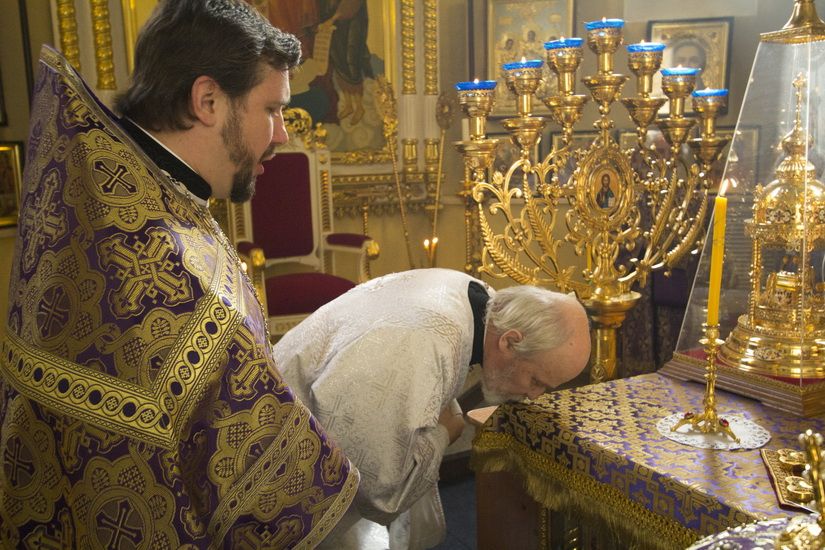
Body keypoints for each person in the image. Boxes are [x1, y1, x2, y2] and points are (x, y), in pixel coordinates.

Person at [0, 1, 358, 548]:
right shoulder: (151, 258)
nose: (283, 135)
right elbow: (270, 493)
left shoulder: (130, 194)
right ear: (207, 100)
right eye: (271, 109)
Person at [274, 268, 591, 548]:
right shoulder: (427, 345)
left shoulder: (471, 294)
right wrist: (444, 434)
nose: (534, 396)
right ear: (509, 342)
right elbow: (377, 490)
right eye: (536, 380)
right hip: (278, 466)